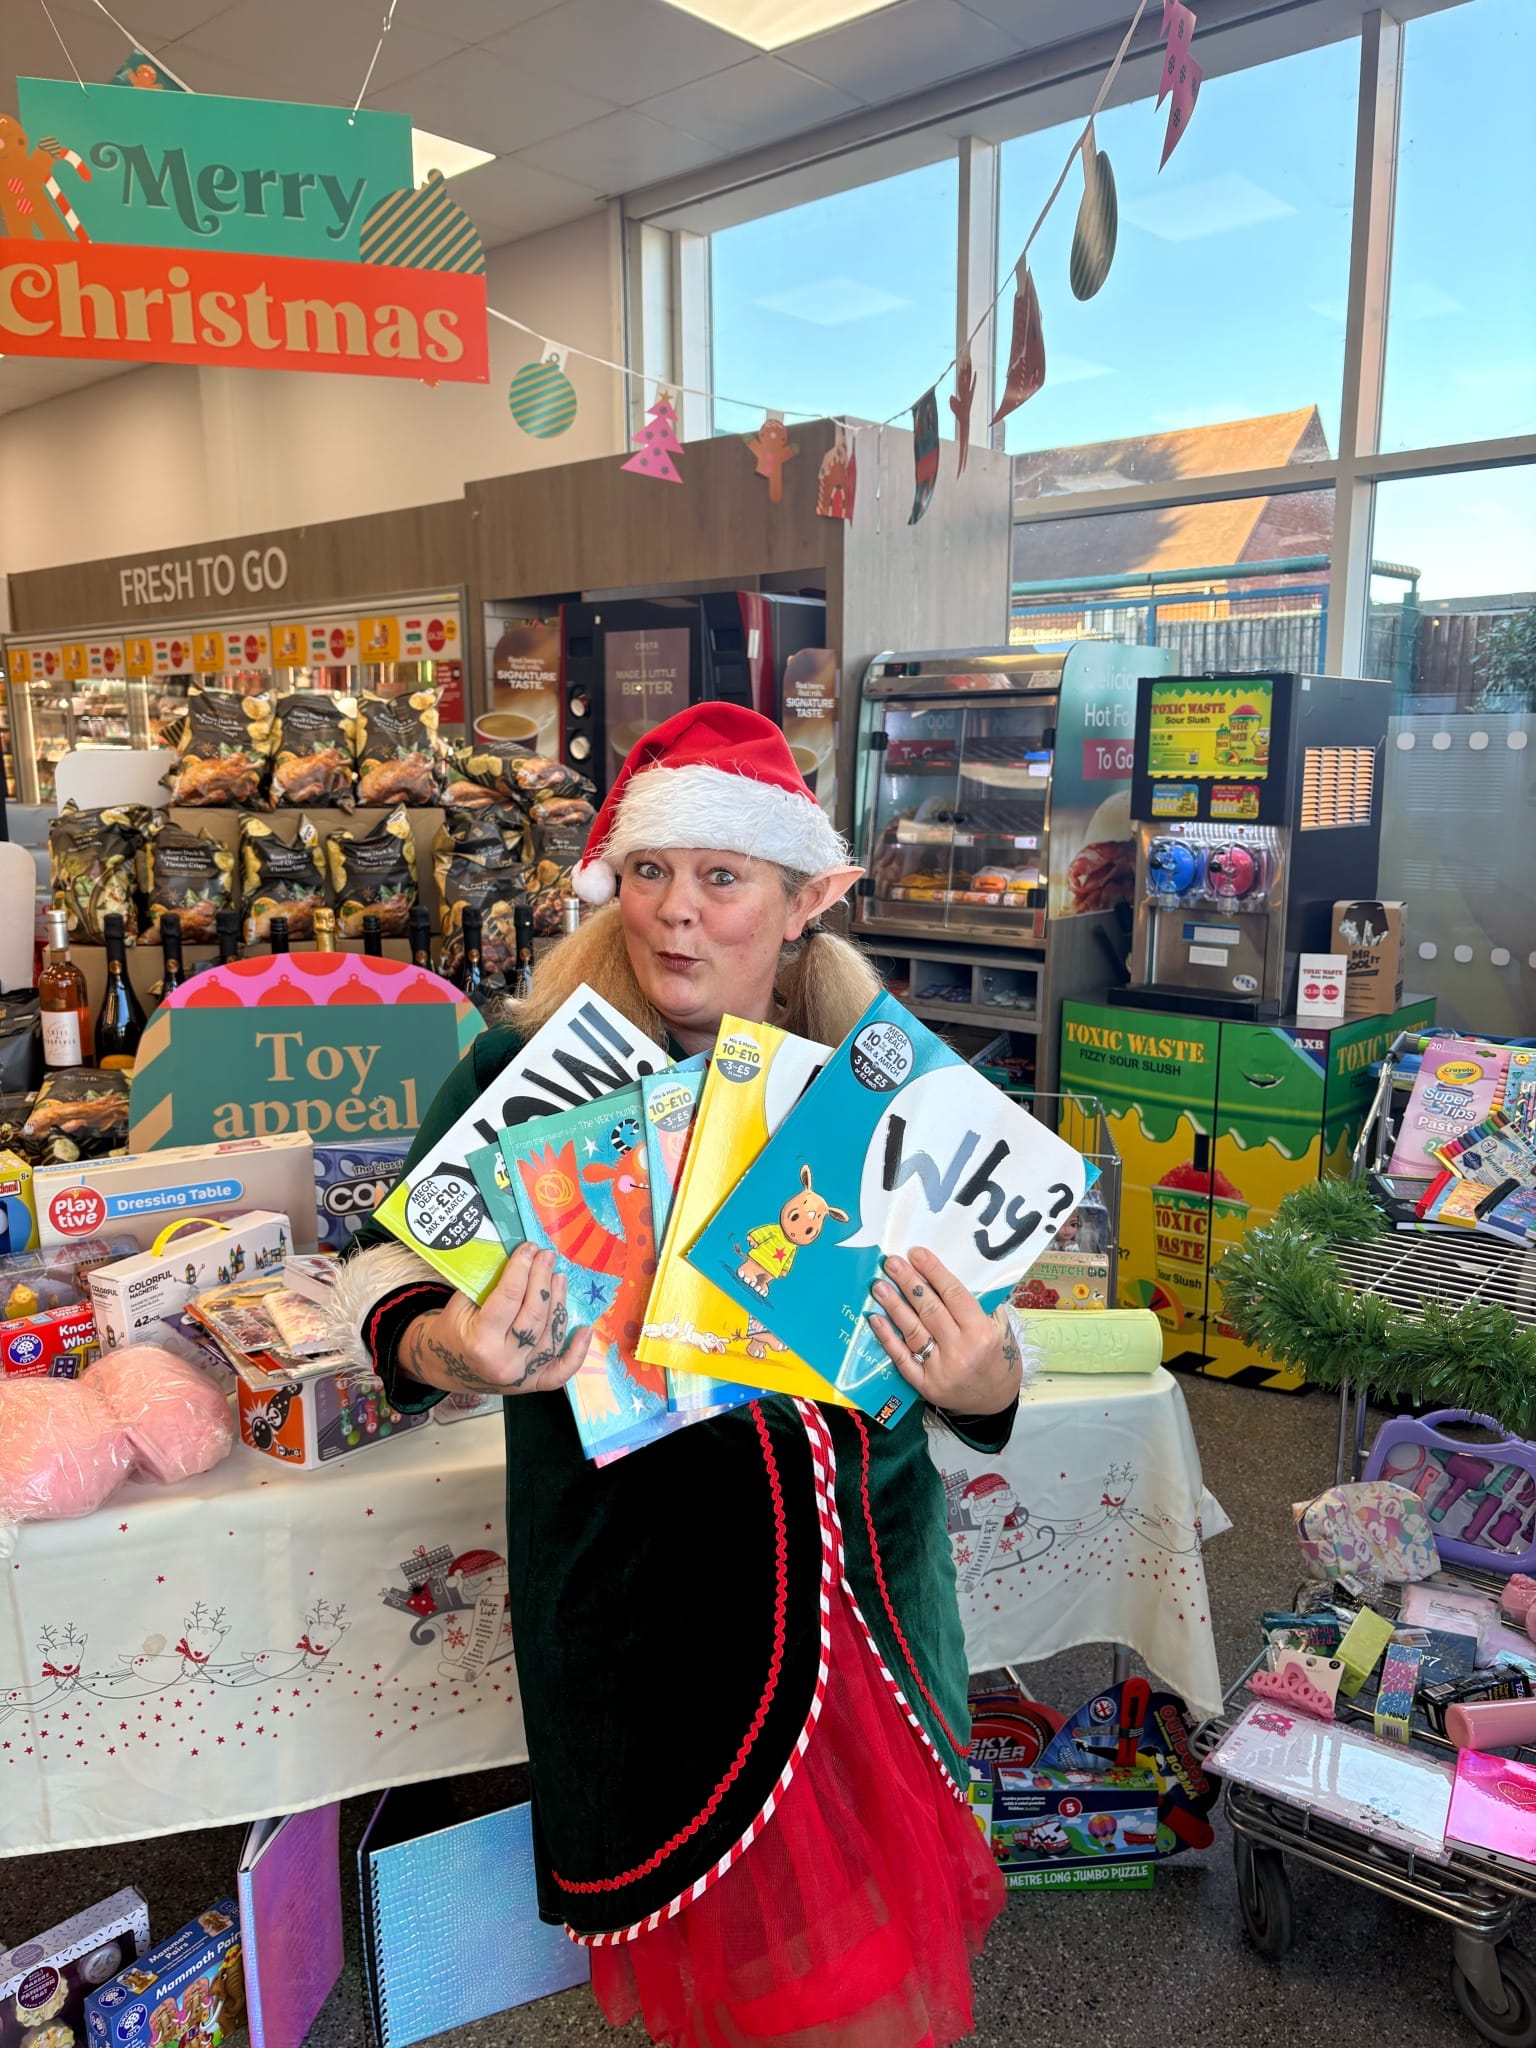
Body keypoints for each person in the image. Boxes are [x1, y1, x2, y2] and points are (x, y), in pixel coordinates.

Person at [334, 704, 1030, 2048]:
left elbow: (982, 1364)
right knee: (740, 1998)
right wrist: (455, 1347)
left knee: (863, 1999)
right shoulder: (530, 1077)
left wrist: (981, 1378)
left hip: (871, 1621)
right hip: (652, 1630)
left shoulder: (877, 1086)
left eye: (722, 876)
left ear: (802, 902)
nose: (675, 912)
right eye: (651, 870)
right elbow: (387, 1285)